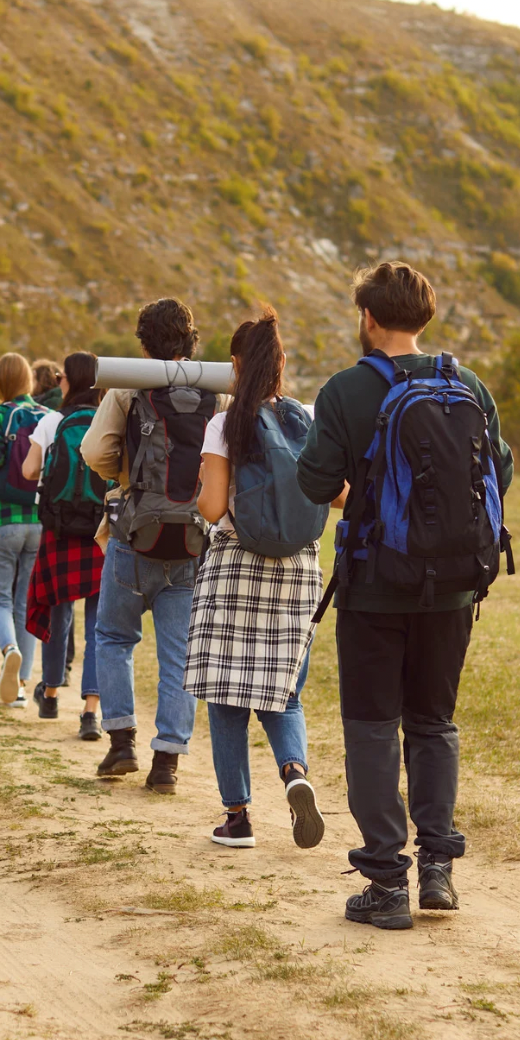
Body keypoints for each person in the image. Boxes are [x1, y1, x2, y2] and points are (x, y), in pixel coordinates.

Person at [297, 262, 514, 929]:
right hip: (453, 590)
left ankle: (387, 882)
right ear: (424, 318)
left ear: (367, 317)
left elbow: (312, 481)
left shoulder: (345, 391)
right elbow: (498, 470)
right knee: (434, 723)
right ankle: (439, 871)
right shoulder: (468, 384)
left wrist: (363, 500)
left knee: (371, 728)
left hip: (374, 588)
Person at [186, 309, 326, 850]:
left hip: (235, 566)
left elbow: (215, 503)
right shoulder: (305, 420)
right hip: (297, 571)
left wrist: (199, 493)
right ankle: (294, 772)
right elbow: (335, 493)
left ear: (236, 365)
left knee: (226, 699)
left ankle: (238, 818)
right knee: (284, 693)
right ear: (282, 363)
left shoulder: (224, 424)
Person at [81, 298, 217, 793]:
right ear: (190, 338)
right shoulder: (212, 388)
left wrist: (122, 474)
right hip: (192, 539)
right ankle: (167, 764)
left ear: (143, 342)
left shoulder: (129, 383)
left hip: (134, 536)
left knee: (114, 638)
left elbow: (95, 450)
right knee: (179, 654)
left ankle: (121, 743)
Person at [22, 352, 107, 740]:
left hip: (58, 531)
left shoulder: (52, 421)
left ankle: (52, 694)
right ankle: (90, 711)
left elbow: (28, 471)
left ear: (67, 381)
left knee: (59, 615)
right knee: (98, 625)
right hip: (99, 531)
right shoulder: (108, 420)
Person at [0, 353, 46, 707]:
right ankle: (20, 688)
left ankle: (9, 649)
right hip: (38, 520)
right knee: (25, 602)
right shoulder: (49, 417)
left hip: (3, 518)